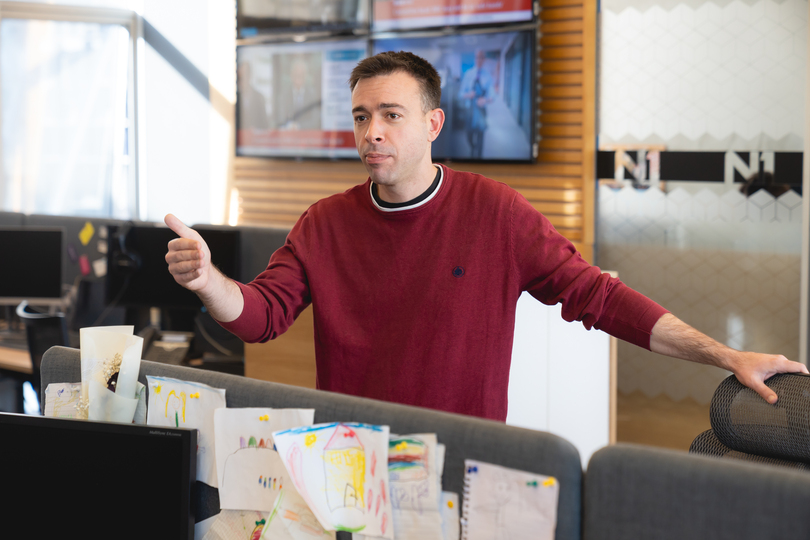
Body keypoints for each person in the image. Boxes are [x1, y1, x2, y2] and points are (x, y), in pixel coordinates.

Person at [165, 51, 807, 421]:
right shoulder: (324, 222)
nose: (372, 132)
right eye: (361, 117)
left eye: (391, 114)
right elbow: (261, 317)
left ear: (433, 123)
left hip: (465, 456)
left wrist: (726, 356)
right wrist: (207, 280)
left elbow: (600, 298)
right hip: (348, 457)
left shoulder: (495, 212)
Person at [458, 49, 494, 159]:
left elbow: (492, 96)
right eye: (477, 57)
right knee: (468, 135)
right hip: (470, 110)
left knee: (480, 136)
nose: (479, 60)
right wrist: (469, 95)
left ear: (484, 59)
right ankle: (473, 149)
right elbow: (460, 94)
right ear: (475, 59)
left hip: (481, 111)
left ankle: (478, 159)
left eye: (481, 57)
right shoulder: (468, 74)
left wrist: (485, 100)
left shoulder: (488, 76)